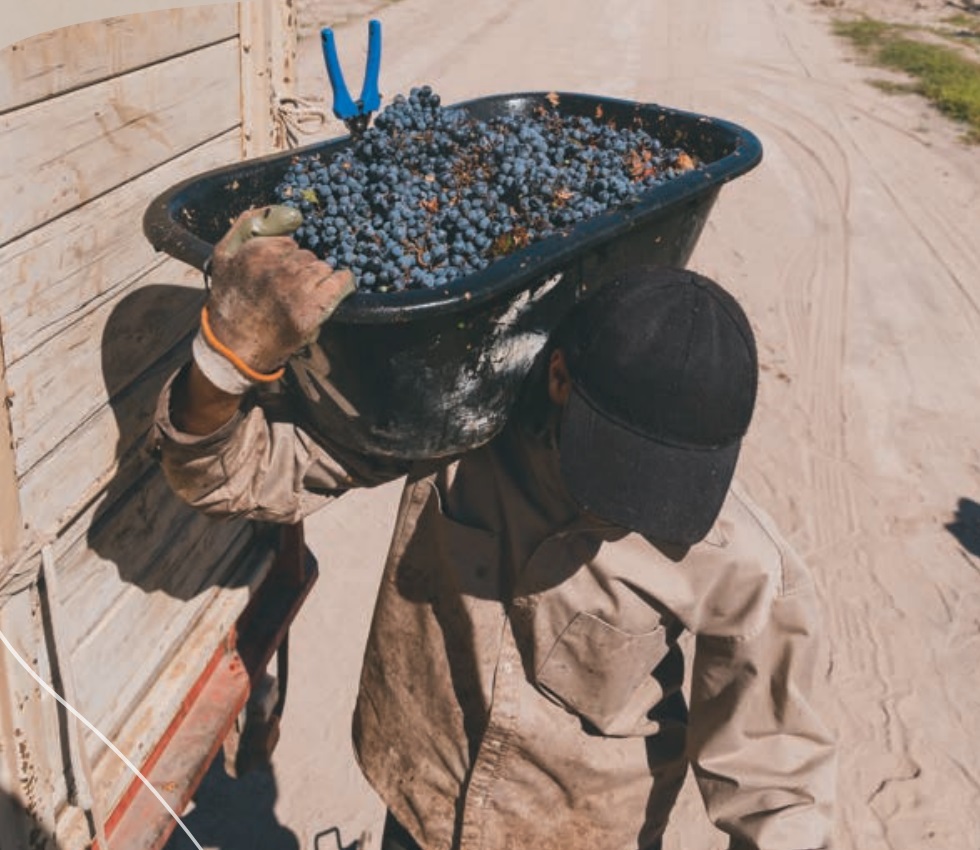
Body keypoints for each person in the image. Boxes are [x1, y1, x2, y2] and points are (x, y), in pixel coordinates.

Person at [151, 207, 837, 850]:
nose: (627, 510)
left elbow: (779, 787)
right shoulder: (457, 425)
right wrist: (225, 360)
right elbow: (227, 476)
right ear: (560, 379)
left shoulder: (742, 563)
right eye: (617, 467)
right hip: (418, 807)